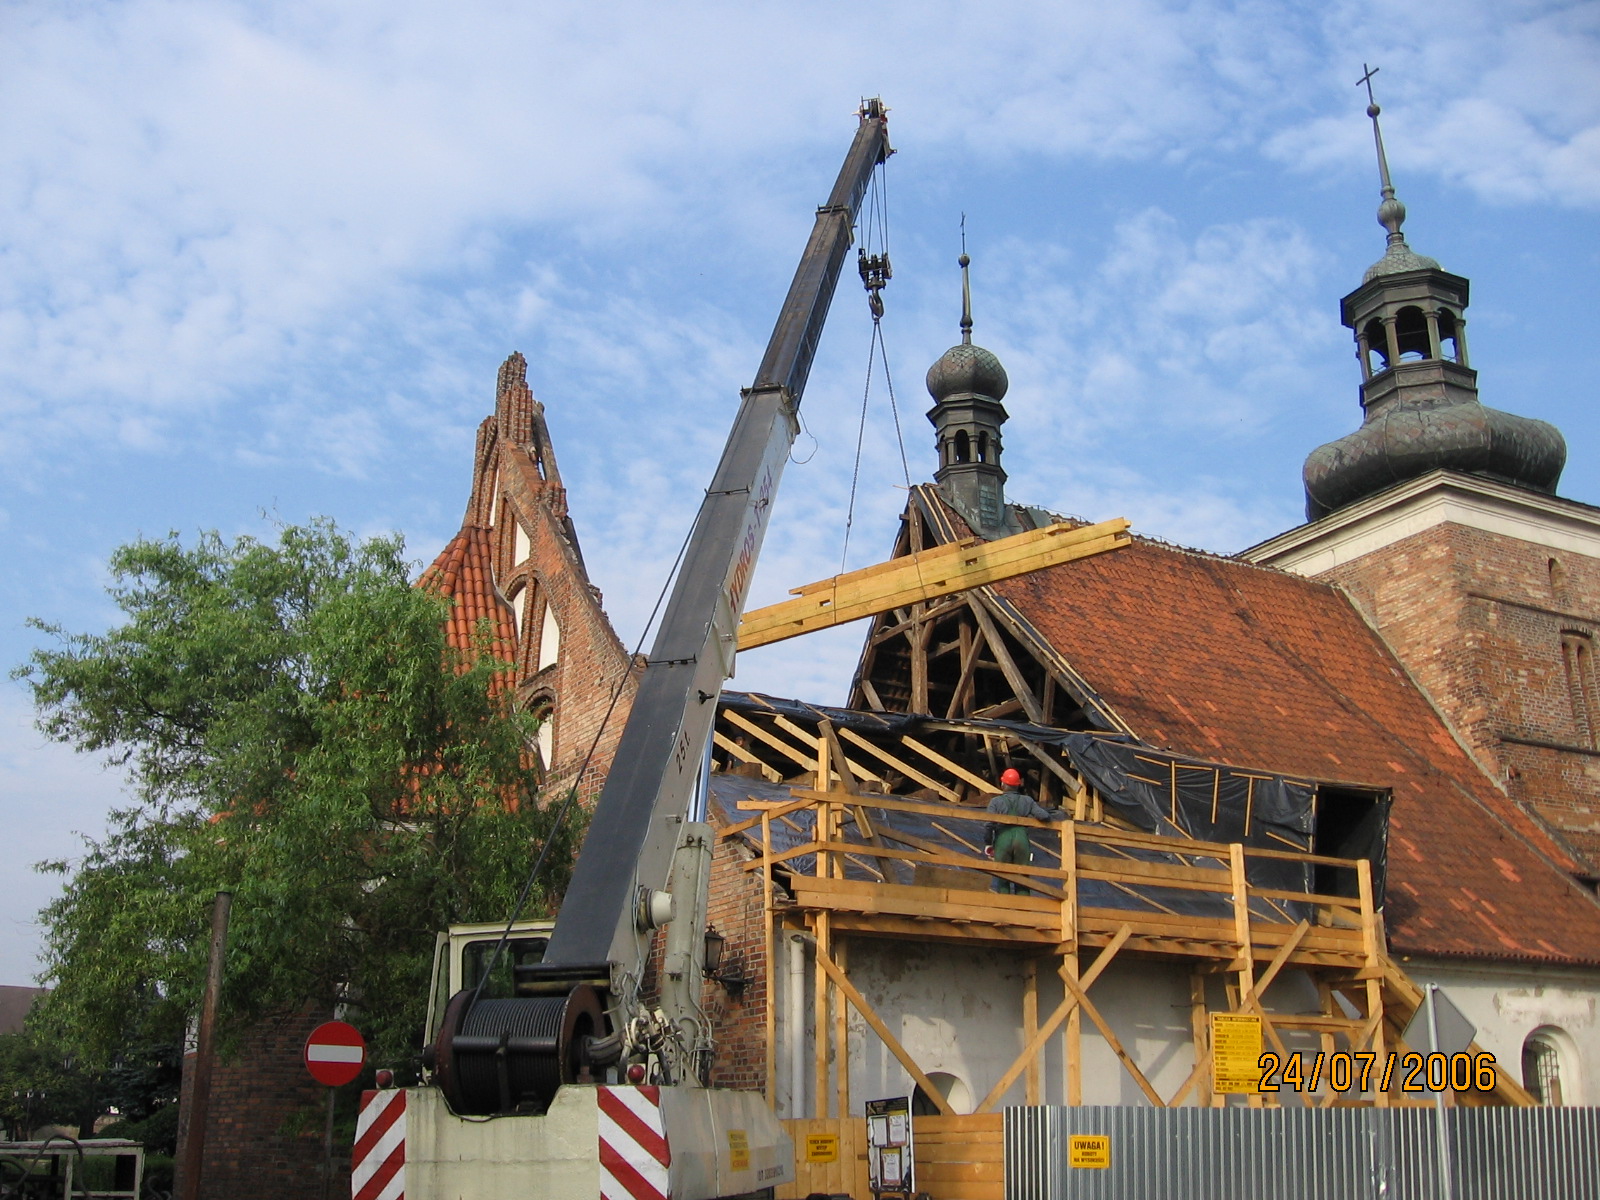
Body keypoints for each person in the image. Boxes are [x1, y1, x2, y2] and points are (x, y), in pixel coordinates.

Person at [985, 767, 1066, 895]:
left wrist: (988, 843)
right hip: (1021, 839)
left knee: (1003, 877)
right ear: (1018, 785)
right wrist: (1028, 817)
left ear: (1003, 784)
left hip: (1003, 838)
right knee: (1023, 878)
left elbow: (988, 824)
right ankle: (1024, 909)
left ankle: (1004, 909)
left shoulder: (995, 802)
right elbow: (1044, 816)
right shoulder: (1027, 801)